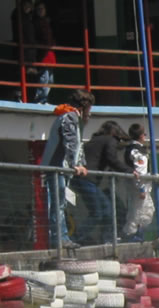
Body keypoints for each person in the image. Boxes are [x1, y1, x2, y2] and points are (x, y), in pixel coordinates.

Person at [39, 88, 94, 249]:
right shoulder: (69, 117)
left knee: (60, 203)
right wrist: (76, 164)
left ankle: (61, 238)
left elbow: (78, 145)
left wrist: (81, 163)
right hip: (57, 167)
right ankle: (60, 239)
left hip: (61, 168)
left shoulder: (73, 118)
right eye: (89, 109)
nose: (90, 113)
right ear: (83, 106)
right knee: (58, 203)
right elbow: (71, 142)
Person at [70, 120, 134, 245]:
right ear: (114, 133)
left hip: (82, 179)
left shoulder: (95, 140)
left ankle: (104, 238)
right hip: (87, 179)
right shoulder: (110, 140)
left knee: (104, 210)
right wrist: (130, 170)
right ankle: (79, 238)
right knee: (101, 211)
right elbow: (112, 159)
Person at [121, 123, 153, 242]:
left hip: (134, 186)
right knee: (142, 213)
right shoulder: (137, 151)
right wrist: (141, 188)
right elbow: (140, 171)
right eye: (144, 134)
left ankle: (134, 236)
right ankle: (132, 237)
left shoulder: (131, 149)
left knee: (138, 212)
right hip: (139, 187)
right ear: (141, 136)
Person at [10, 0, 36, 101]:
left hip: (28, 51)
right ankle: (19, 96)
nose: (27, 7)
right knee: (20, 74)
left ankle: (25, 97)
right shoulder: (19, 16)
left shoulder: (28, 17)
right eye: (26, 5)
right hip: (23, 50)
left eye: (29, 5)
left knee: (27, 75)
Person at [32, 1, 55, 104]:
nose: (41, 11)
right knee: (44, 78)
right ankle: (40, 100)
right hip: (42, 55)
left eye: (42, 9)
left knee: (50, 79)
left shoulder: (46, 22)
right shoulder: (35, 23)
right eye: (39, 9)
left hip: (49, 54)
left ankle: (44, 99)